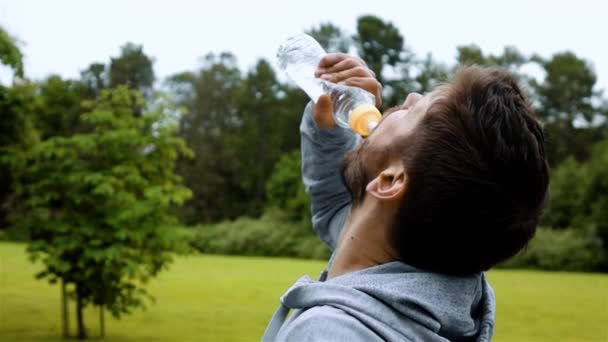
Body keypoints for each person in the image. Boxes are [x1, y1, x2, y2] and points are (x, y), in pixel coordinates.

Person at [262, 53, 550, 342]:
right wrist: (331, 126)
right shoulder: (427, 282)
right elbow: (338, 208)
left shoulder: (327, 334)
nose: (410, 97)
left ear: (389, 182)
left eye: (415, 111)